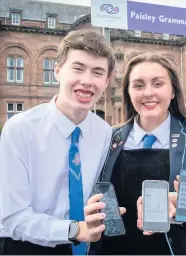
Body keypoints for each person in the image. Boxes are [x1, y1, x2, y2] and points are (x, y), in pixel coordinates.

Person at [0, 29, 125, 255]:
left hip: (86, 248)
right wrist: (75, 230)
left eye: (97, 72)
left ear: (107, 81)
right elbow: (12, 217)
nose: (87, 81)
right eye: (78, 68)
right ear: (57, 70)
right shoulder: (20, 130)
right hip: (26, 247)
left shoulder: (105, 134)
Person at [85, 53, 186, 255]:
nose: (148, 93)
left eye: (158, 84)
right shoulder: (109, 138)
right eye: (138, 85)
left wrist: (178, 209)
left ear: (173, 91)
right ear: (128, 92)